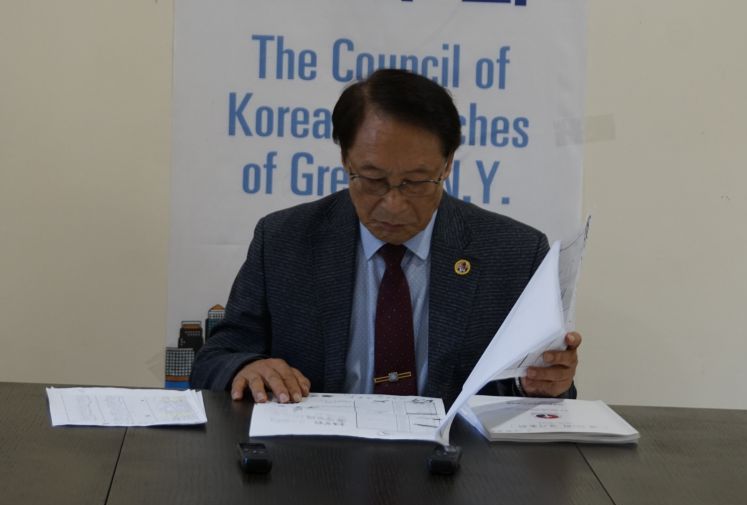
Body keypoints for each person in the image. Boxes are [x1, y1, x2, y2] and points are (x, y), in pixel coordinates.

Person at [190, 69, 581, 408]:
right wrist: (246, 366)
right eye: (373, 179)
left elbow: (537, 392)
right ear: (345, 160)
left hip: (457, 462)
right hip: (316, 459)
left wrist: (544, 383)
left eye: (415, 182)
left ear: (447, 164)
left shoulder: (514, 254)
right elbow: (214, 359)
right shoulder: (283, 241)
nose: (393, 205)